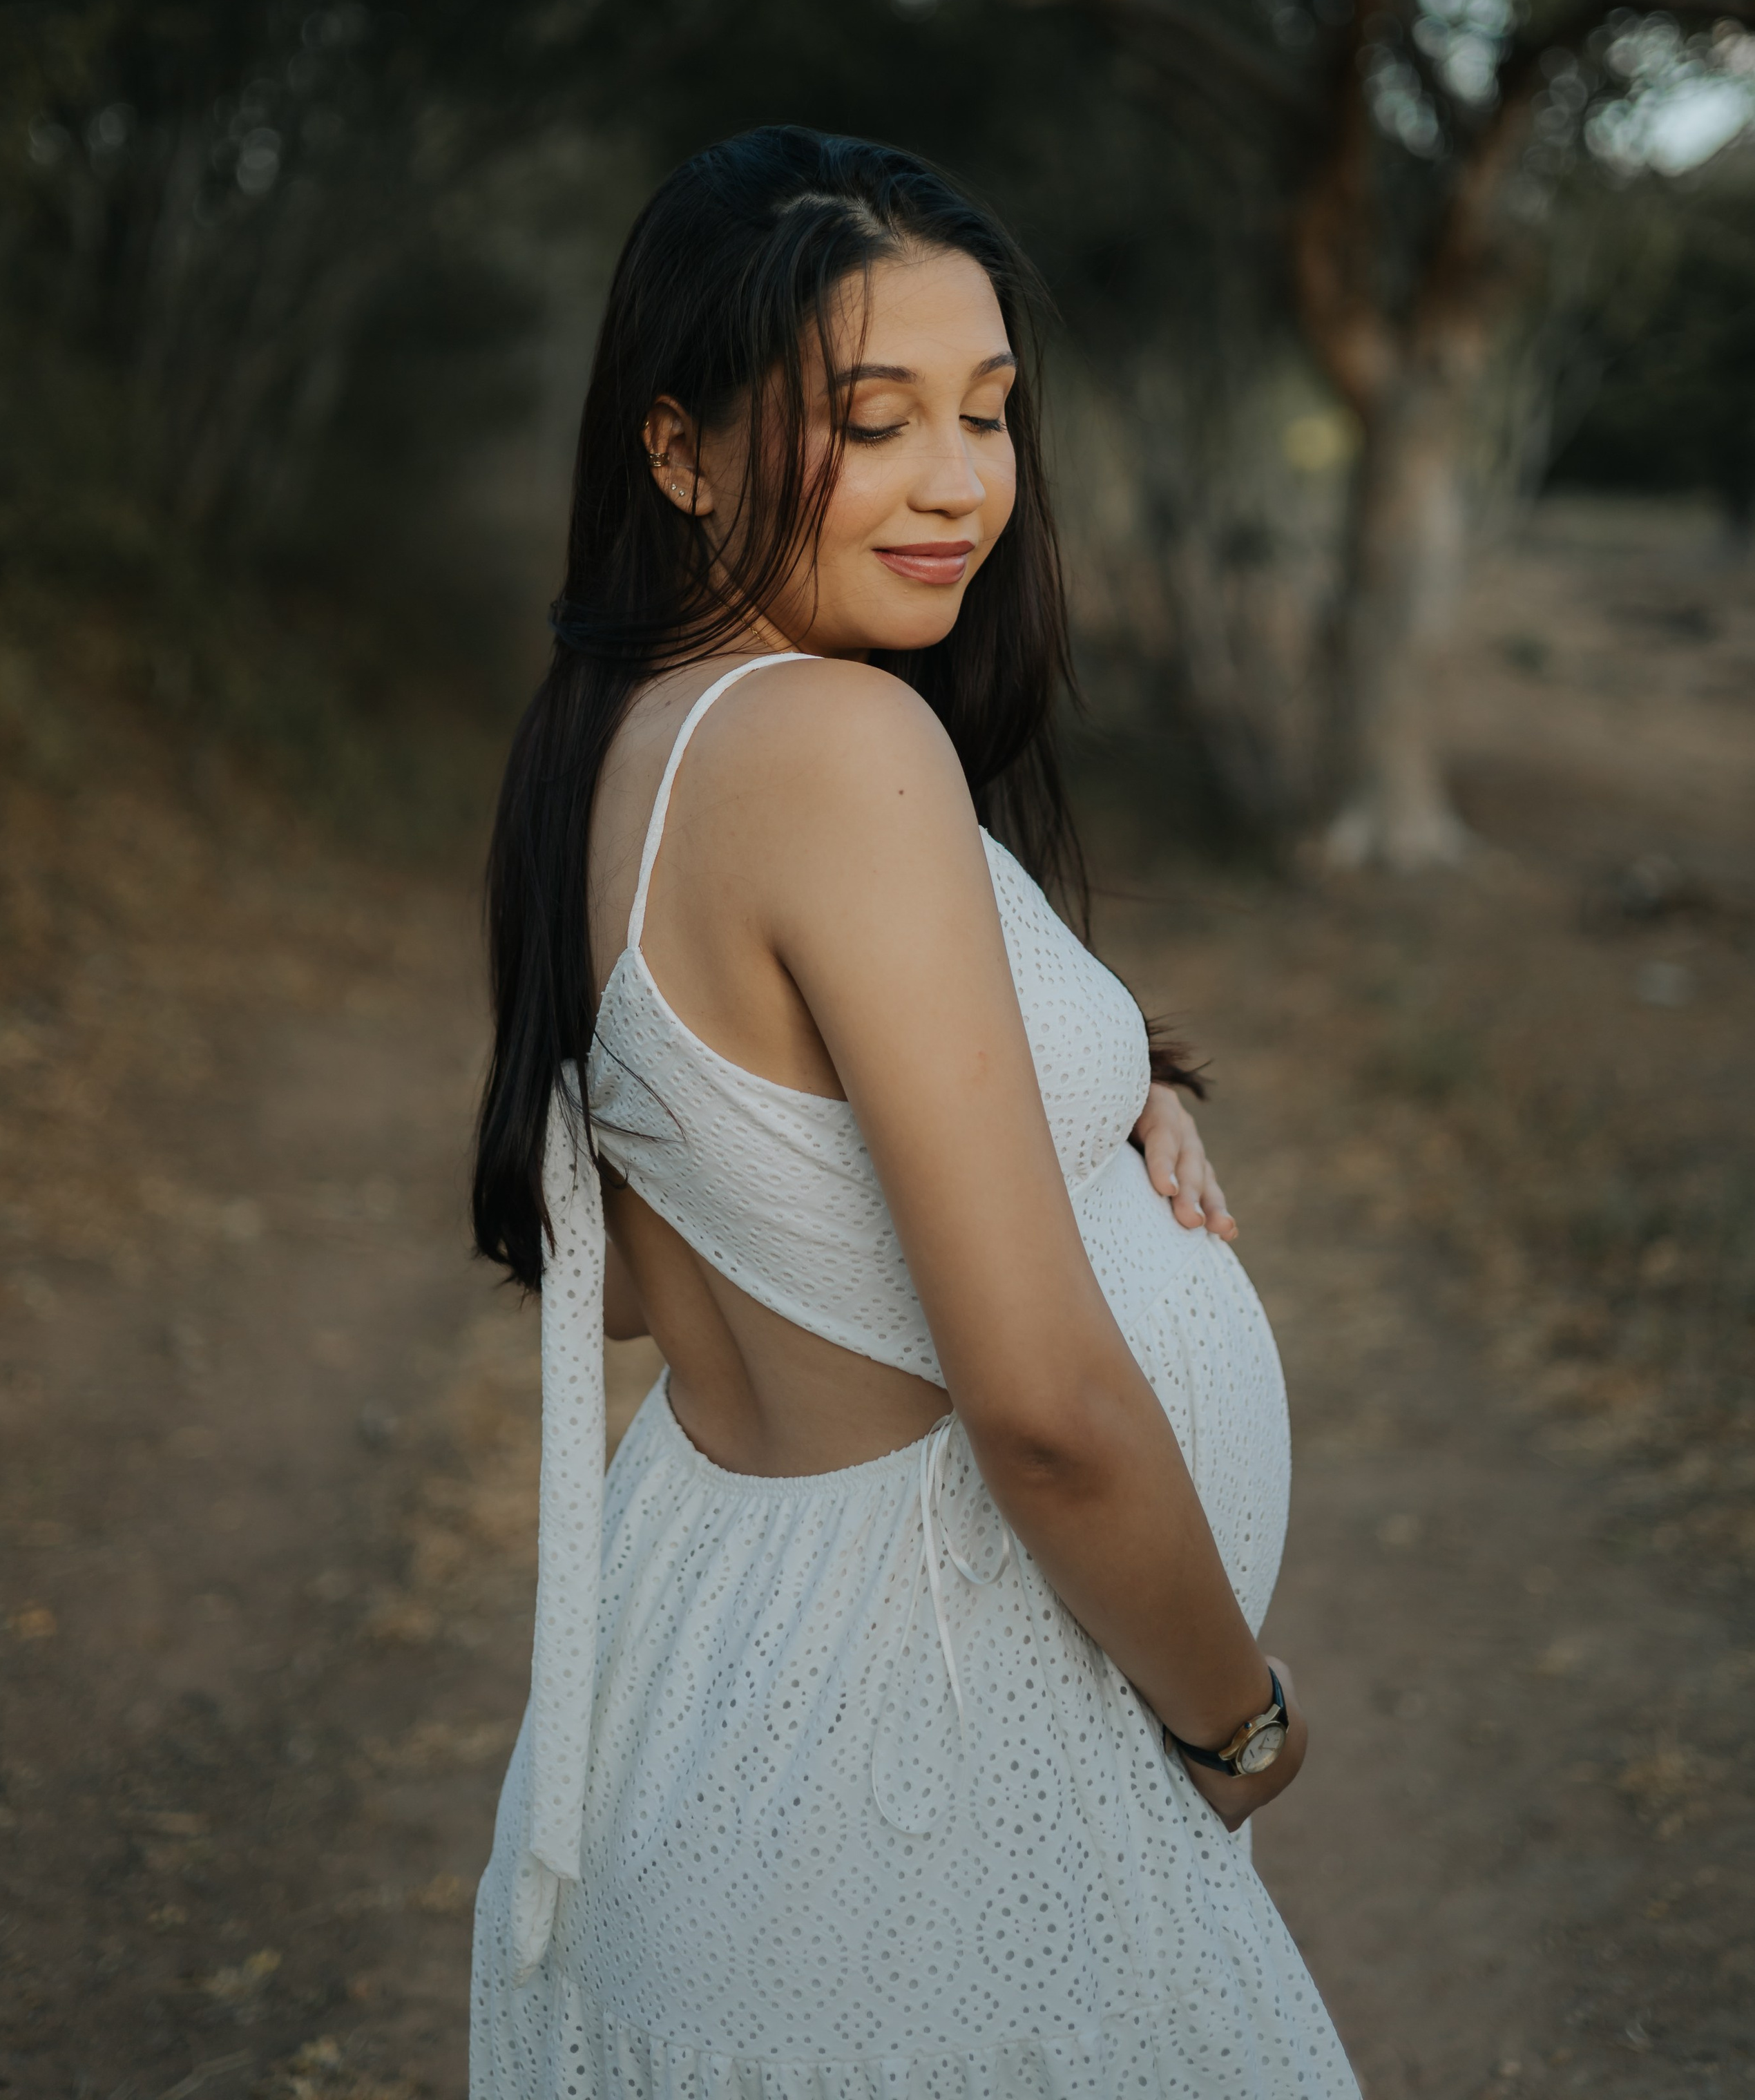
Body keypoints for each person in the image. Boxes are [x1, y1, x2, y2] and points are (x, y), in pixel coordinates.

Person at [469, 128, 1359, 2098]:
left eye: (990, 411)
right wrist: (1239, 1725)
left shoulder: (623, 734)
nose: (960, 482)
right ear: (679, 450)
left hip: (732, 1656)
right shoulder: (832, 735)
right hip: (911, 1733)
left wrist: (1091, 1113)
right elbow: (1040, 1408)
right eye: (874, 423)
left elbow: (655, 1259)